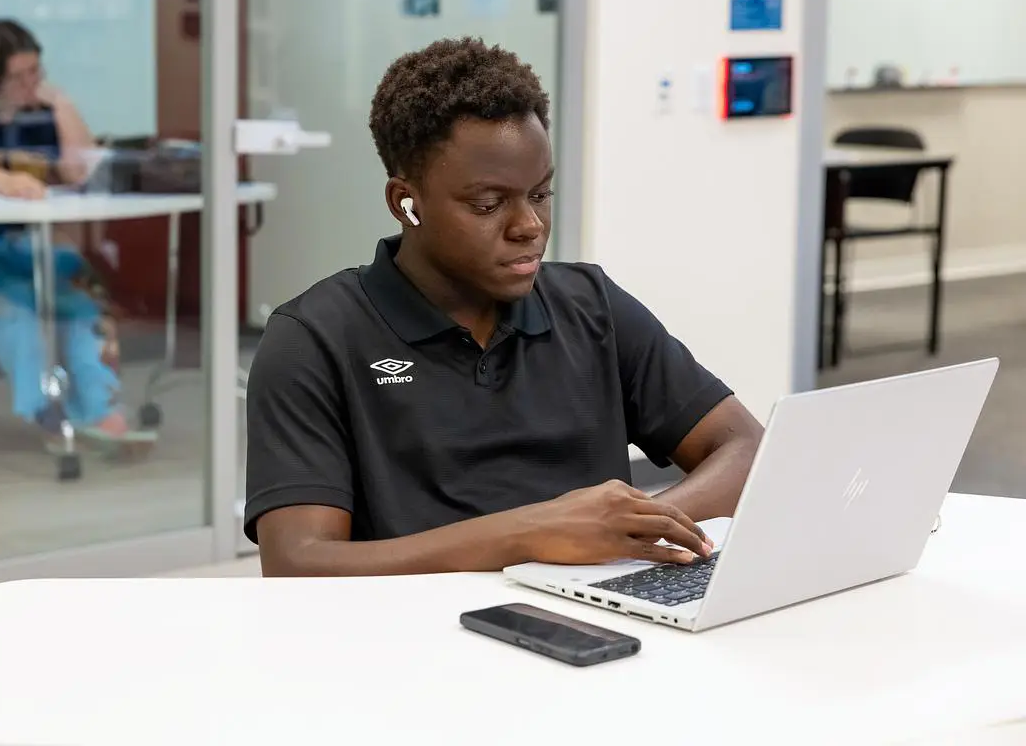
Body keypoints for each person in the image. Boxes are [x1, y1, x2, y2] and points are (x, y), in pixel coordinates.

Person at [245, 37, 764, 577]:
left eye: (540, 194)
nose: (529, 227)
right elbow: (298, 562)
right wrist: (536, 534)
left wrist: (622, 528)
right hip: (412, 639)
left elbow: (744, 447)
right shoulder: (314, 338)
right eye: (488, 204)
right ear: (406, 202)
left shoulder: (592, 306)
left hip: (594, 624)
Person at [0, 18, 155, 456]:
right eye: (17, 76)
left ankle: (100, 410)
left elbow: (81, 168)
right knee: (17, 311)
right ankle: (47, 412)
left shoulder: (34, 112)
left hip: (16, 243)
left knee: (81, 300)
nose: (28, 84)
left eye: (34, 73)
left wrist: (60, 102)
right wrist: (8, 182)